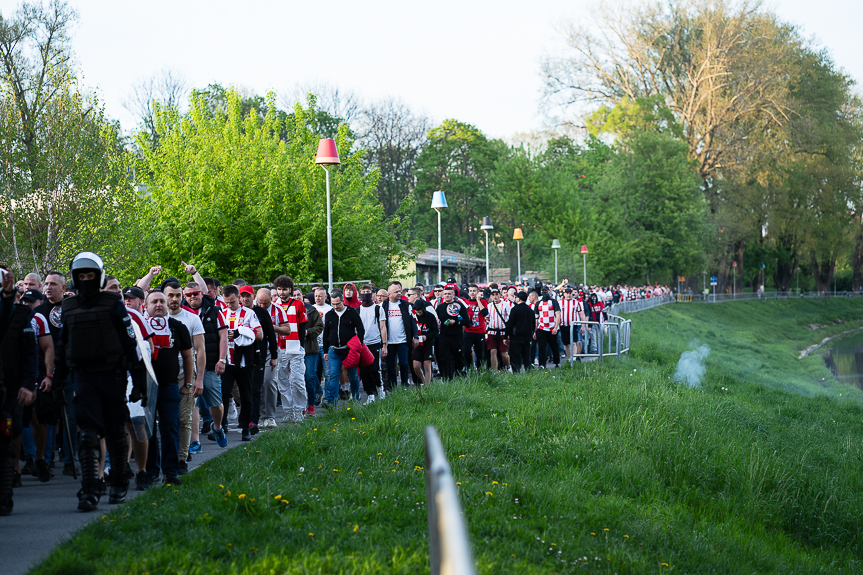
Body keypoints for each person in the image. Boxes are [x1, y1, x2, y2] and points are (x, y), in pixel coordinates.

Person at [52, 252, 144, 510]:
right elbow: (62, 347)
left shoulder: (113, 303)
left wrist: (139, 383)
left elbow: (129, 343)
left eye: (90, 275)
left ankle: (118, 481)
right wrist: (57, 381)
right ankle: (90, 489)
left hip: (112, 375)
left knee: (115, 431)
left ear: (99, 276)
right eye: (80, 276)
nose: (85, 280)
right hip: (83, 377)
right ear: (74, 278)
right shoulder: (68, 308)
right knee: (87, 434)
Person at [141, 290, 192, 488]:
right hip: (146, 387)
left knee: (170, 427)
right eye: (154, 301)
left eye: (162, 301)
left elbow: (188, 356)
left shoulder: (177, 327)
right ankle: (150, 471)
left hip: (170, 386)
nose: (159, 304)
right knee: (148, 431)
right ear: (146, 306)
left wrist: (188, 383)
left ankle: (170, 472)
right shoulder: (140, 326)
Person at [0, 270, 38, 516]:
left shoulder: (18, 314)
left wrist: (29, 384)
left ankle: (4, 497)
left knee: (5, 440)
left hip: (8, 388)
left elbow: (30, 354)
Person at [34, 271, 78, 477]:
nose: (48, 287)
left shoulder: (72, 309)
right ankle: (46, 458)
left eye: (53, 284)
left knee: (69, 416)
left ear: (63, 288)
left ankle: (70, 460)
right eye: (46, 284)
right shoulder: (40, 310)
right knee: (47, 415)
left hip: (69, 369)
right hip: (45, 370)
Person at [180, 271, 229, 451]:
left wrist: (222, 359)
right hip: (187, 366)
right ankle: (195, 441)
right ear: (184, 297)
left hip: (210, 364)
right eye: (189, 295)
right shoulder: (181, 313)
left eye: (196, 293)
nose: (193, 297)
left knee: (215, 403)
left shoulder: (215, 310)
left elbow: (223, 337)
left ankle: (217, 427)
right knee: (192, 403)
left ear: (202, 293)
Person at [163, 281, 205, 474]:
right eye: (170, 295)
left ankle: (181, 458)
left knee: (184, 419)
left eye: (178, 295)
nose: (174, 299)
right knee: (164, 420)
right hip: (162, 374)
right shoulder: (154, 319)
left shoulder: (192, 318)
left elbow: (200, 351)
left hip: (186, 373)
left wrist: (198, 379)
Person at [19, 289, 55, 483]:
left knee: (38, 417)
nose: (27, 305)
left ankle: (40, 458)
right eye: (25, 301)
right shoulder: (12, 316)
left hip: (37, 371)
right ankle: (15, 466)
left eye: (31, 302)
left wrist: (49, 375)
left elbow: (48, 347)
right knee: (17, 420)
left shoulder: (39, 319)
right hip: (14, 372)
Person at [220, 285, 261, 440]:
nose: (229, 305)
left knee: (246, 394)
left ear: (238, 298)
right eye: (226, 302)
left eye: (232, 302)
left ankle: (245, 427)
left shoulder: (249, 313)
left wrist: (240, 332)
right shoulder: (222, 313)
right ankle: (221, 426)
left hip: (244, 361)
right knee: (223, 395)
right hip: (226, 360)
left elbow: (260, 334)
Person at [241, 285, 277, 434]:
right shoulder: (236, 313)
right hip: (240, 358)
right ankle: (244, 418)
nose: (245, 299)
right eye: (242, 296)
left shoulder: (261, 313)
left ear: (253, 296)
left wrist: (273, 356)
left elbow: (270, 335)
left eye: (248, 295)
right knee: (244, 390)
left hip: (259, 356)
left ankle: (253, 420)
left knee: (256, 389)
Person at [273, 275, 307, 425]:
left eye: (285, 289)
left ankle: (299, 410)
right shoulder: (274, 305)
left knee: (297, 381)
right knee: (282, 382)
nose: (282, 292)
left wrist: (301, 346)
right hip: (280, 349)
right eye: (279, 289)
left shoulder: (299, 304)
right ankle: (288, 411)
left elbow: (303, 326)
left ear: (290, 290)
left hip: (295, 348)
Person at [322, 291, 364, 408]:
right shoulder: (329, 314)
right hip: (334, 350)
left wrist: (358, 344)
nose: (336, 306)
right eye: (333, 304)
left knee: (353, 375)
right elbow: (326, 334)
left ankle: (355, 397)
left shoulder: (352, 312)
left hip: (349, 350)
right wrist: (325, 351)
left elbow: (360, 329)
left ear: (343, 301)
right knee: (334, 376)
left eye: (338, 304)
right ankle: (332, 401)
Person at [255, 287, 288, 429]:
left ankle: (270, 416)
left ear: (271, 300)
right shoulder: (251, 310)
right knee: (258, 383)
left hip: (272, 349)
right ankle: (259, 415)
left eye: (265, 303)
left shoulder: (278, 310)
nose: (262, 306)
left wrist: (271, 327)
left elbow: (287, 330)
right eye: (260, 303)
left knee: (269, 381)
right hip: (255, 350)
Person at [383, 283, 417, 390]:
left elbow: (412, 322)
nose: (399, 293)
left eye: (399, 291)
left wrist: (415, 336)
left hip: (402, 340)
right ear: (389, 294)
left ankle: (404, 385)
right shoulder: (383, 306)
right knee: (391, 366)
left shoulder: (406, 305)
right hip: (389, 341)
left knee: (404, 364)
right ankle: (392, 387)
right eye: (396, 292)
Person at [358, 285, 386, 402]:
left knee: (375, 369)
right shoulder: (357, 310)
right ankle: (370, 394)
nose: (366, 294)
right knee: (364, 371)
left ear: (372, 294)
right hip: (362, 344)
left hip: (375, 343)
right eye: (363, 292)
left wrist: (384, 344)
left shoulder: (378, 309)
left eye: (368, 292)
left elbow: (383, 327)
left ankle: (380, 388)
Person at [435, 287, 470, 380]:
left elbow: (467, 321)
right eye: (445, 293)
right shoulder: (440, 307)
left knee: (458, 357)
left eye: (449, 294)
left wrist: (456, 322)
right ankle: (446, 378)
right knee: (444, 358)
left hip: (457, 336)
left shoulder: (459, 305)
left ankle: (459, 377)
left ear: (453, 295)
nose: (447, 295)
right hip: (443, 337)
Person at [300, 294, 323, 415]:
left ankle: (310, 405)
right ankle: (300, 405)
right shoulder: (284, 310)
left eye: (298, 295)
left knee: (309, 376)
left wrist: (308, 332)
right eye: (294, 295)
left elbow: (319, 326)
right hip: (293, 349)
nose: (296, 297)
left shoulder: (311, 309)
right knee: (298, 379)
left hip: (309, 349)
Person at [505, 291, 535, 373]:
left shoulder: (515, 310)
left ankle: (516, 373)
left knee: (515, 357)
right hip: (527, 337)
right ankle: (528, 372)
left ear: (518, 299)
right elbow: (533, 324)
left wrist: (506, 336)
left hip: (516, 337)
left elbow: (510, 324)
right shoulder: (530, 310)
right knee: (526, 356)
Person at [411, 299, 438, 385]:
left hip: (428, 344)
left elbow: (436, 331)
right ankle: (425, 380)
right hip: (417, 344)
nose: (418, 311)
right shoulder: (413, 317)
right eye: (416, 310)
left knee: (427, 365)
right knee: (416, 366)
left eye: (419, 309)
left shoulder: (430, 317)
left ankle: (427, 387)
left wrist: (427, 336)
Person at [485, 288, 511, 372]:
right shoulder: (489, 306)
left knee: (504, 353)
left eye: (496, 294)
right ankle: (495, 371)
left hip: (503, 331)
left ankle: (508, 367)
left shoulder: (506, 304)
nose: (495, 296)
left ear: (500, 295)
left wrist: (509, 332)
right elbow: (487, 318)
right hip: (492, 331)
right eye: (493, 295)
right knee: (492, 351)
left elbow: (510, 318)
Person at [463, 284, 488, 370]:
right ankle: (469, 367)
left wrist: (478, 300)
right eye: (470, 291)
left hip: (479, 331)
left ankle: (480, 370)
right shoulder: (466, 302)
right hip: (468, 331)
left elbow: (485, 313)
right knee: (466, 350)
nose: (472, 293)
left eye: (474, 291)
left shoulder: (483, 301)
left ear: (477, 292)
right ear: (468, 293)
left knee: (480, 353)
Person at [535, 286, 561, 368]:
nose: (544, 292)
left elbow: (558, 315)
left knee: (554, 346)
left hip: (552, 328)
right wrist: (535, 330)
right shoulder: (538, 303)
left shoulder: (554, 302)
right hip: (542, 328)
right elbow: (536, 317)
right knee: (542, 347)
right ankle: (542, 364)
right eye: (543, 291)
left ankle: (557, 362)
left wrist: (555, 327)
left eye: (545, 291)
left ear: (549, 291)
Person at [560, 287, 585, 362]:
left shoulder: (576, 302)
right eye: (567, 293)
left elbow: (582, 314)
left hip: (573, 325)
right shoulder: (559, 302)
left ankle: (573, 358)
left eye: (570, 293)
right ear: (564, 294)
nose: (568, 295)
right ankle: (569, 358)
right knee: (566, 343)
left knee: (574, 342)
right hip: (563, 325)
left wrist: (583, 325)